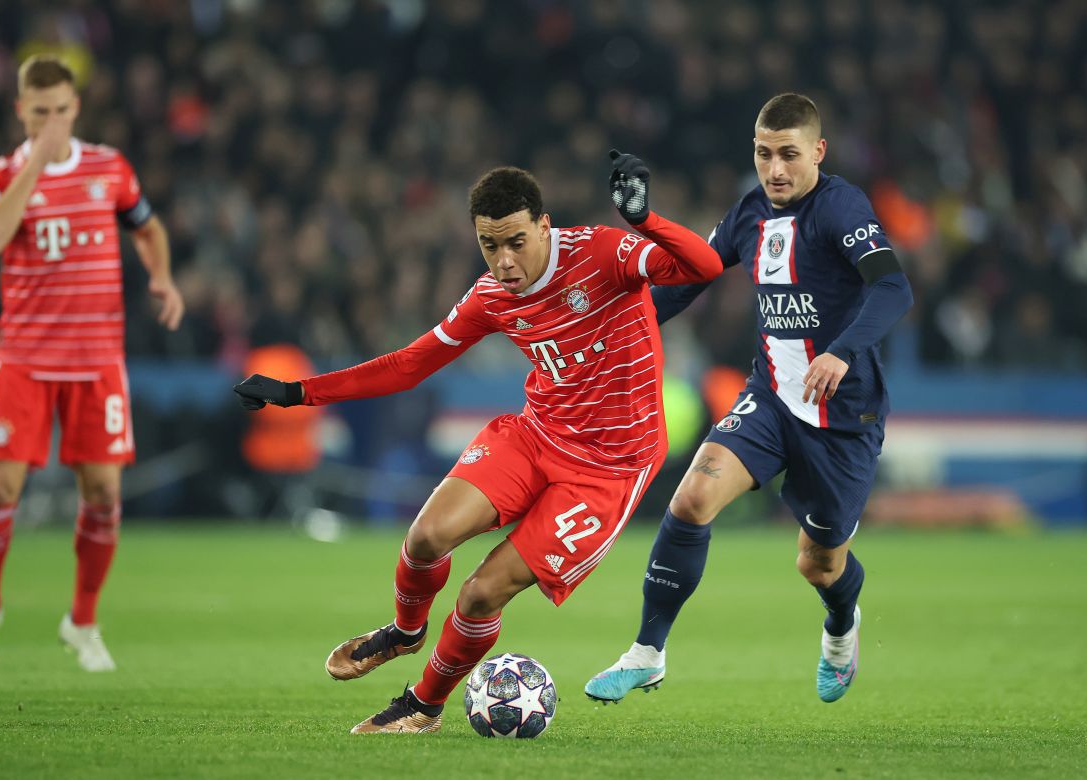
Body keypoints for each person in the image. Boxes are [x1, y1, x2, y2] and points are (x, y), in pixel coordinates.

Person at [234, 153, 723, 733]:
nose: (505, 261)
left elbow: (706, 266)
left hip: (609, 468)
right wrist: (298, 392)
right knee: (425, 537)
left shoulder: (605, 253)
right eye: (490, 246)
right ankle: (406, 631)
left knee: (480, 594)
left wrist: (645, 219)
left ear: (545, 225)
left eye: (516, 241)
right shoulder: (490, 295)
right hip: (537, 435)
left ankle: (424, 704)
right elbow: (408, 365)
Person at [584, 93, 913, 704]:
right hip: (769, 398)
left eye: (789, 154)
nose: (776, 170)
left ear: (818, 151)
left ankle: (842, 624)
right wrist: (611, 333)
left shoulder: (841, 208)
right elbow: (690, 278)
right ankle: (647, 652)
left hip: (843, 415)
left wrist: (840, 351)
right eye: (764, 154)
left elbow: (893, 287)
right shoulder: (747, 214)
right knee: (692, 498)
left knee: (818, 563)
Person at [0, 55, 183, 672]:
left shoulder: (108, 167)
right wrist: (37, 160)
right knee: (0, 487)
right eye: (40, 113)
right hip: (26, 359)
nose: (52, 122)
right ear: (21, 111)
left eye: (61, 111)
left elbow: (148, 227)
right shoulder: (1, 172)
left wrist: (161, 277)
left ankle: (82, 621)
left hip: (96, 360)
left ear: (75, 107)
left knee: (104, 495)